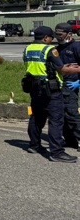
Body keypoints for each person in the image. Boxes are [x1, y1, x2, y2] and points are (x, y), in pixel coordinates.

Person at [23, 26, 80, 162]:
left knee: (36, 117)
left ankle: (34, 145)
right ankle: (57, 152)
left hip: (34, 88)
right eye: (51, 37)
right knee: (56, 120)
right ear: (45, 38)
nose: (52, 40)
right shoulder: (49, 49)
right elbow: (62, 70)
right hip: (51, 90)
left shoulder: (28, 49)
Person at [54, 22, 80, 149]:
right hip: (58, 86)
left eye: (60, 34)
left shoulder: (76, 47)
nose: (58, 37)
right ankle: (70, 140)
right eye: (56, 34)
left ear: (69, 34)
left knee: (71, 114)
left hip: (71, 86)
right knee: (61, 115)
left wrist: (78, 83)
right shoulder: (57, 49)